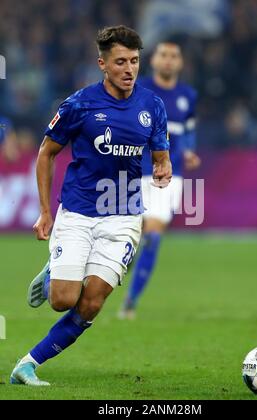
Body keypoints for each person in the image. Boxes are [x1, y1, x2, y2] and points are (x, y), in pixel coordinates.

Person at [10, 25, 172, 386]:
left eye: (134, 61)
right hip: (79, 211)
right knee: (62, 300)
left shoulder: (152, 106)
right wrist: (45, 211)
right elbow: (45, 153)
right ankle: (55, 270)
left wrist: (163, 167)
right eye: (120, 62)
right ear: (102, 64)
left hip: (125, 217)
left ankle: (27, 364)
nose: (129, 69)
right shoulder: (79, 104)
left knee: (92, 303)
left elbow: (161, 156)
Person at [119, 42, 200, 319]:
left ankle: (130, 300)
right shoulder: (138, 89)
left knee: (153, 236)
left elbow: (188, 130)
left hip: (169, 175)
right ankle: (121, 259)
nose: (168, 60)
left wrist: (189, 151)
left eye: (174, 56)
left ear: (180, 63)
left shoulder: (188, 95)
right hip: (132, 170)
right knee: (125, 236)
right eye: (163, 55)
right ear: (153, 61)